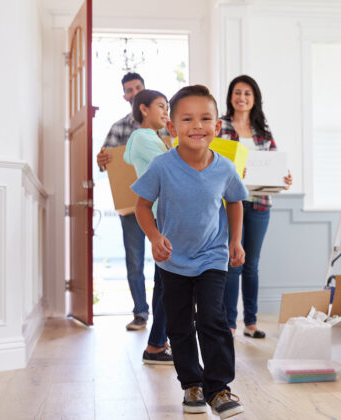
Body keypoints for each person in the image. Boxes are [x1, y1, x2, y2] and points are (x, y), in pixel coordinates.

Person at [132, 85, 247, 419]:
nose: (197, 125)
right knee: (180, 325)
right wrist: (154, 237)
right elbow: (142, 206)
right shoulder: (161, 166)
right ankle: (191, 384)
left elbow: (235, 201)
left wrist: (235, 241)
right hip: (173, 260)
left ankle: (219, 388)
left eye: (205, 118)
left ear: (217, 126)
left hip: (212, 256)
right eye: (187, 119)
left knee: (213, 319)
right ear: (172, 127)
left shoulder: (225, 167)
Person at [219, 75, 293, 339]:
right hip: (231, 203)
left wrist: (284, 178)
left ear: (254, 99)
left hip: (261, 203)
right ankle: (229, 323)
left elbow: (275, 165)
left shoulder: (263, 131)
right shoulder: (221, 126)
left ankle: (251, 322)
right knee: (232, 262)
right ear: (230, 97)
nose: (242, 98)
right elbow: (213, 159)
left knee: (251, 264)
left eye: (247, 94)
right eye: (237, 93)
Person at [96, 72, 154, 331]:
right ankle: (141, 312)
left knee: (169, 259)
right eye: (129, 90)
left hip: (161, 205)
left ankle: (169, 314)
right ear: (124, 96)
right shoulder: (118, 128)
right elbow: (107, 163)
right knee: (134, 260)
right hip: (130, 205)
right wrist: (102, 161)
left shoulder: (162, 124)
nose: (133, 93)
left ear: (144, 90)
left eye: (137, 88)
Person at [123, 89, 171, 364]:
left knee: (164, 282)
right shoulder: (143, 137)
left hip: (159, 213)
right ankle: (155, 346)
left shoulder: (148, 138)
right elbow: (171, 164)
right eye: (161, 107)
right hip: (161, 214)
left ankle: (158, 342)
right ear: (144, 109)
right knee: (166, 284)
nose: (166, 112)